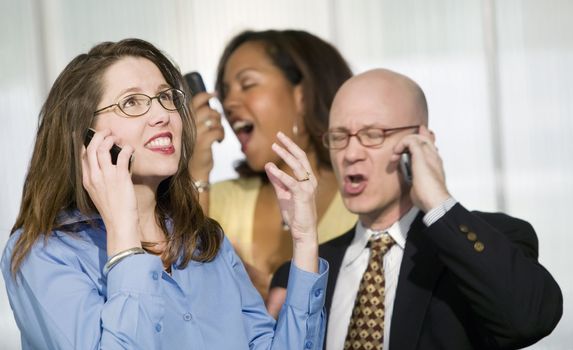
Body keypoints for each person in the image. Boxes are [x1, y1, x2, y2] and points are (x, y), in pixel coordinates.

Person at [1, 38, 329, 349]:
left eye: (165, 97)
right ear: (83, 138)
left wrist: (304, 240)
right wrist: (124, 237)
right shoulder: (43, 253)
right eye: (131, 102)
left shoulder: (205, 242)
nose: (162, 115)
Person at [270, 68, 563, 349]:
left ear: (421, 141)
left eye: (373, 134)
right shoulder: (310, 269)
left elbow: (530, 319)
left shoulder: (487, 241)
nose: (351, 154)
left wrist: (438, 200)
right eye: (338, 137)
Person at [188, 29, 356, 304]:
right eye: (226, 92)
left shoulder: (360, 201)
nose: (228, 103)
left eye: (248, 84)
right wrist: (196, 173)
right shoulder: (214, 198)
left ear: (302, 95)